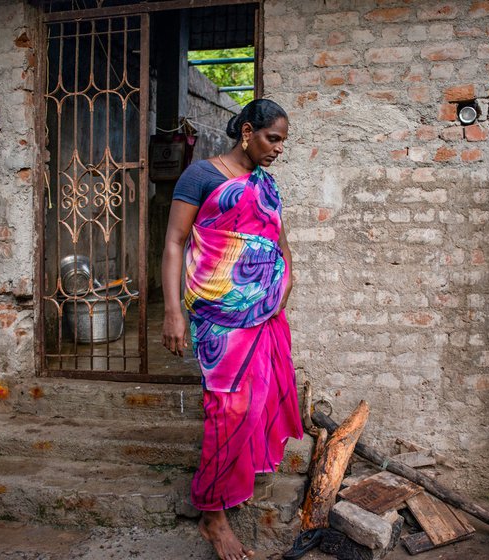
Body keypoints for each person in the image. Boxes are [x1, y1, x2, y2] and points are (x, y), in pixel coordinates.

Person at [161, 99, 303, 560]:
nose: (279, 149)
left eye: (283, 141)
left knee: (257, 399)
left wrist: (290, 274)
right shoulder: (201, 176)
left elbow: (277, 240)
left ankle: (230, 490)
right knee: (229, 409)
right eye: (273, 138)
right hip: (218, 313)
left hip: (264, 309)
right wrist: (172, 313)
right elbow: (174, 243)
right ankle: (213, 517)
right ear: (247, 131)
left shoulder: (268, 184)